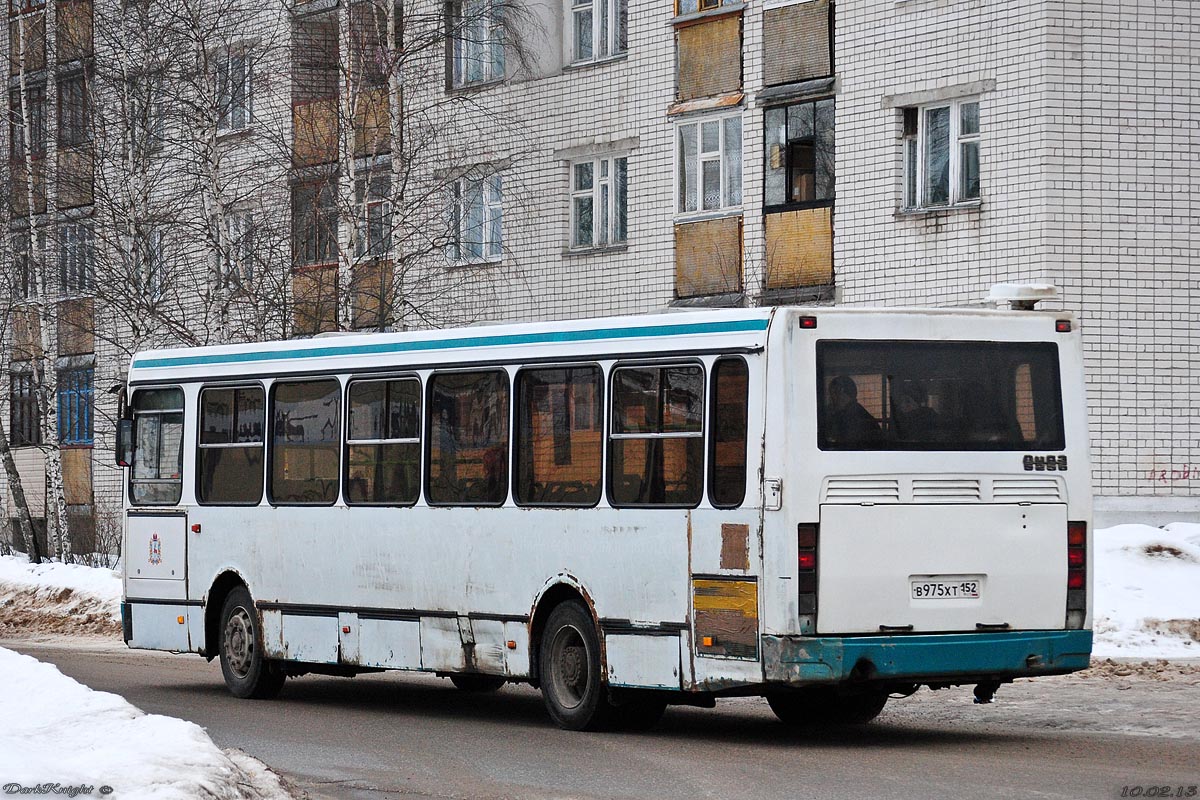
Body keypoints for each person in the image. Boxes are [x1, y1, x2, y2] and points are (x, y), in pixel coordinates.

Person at [825, 375, 881, 444]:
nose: (831, 399)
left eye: (832, 394)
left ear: (840, 391)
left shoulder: (850, 417)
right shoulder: (858, 412)